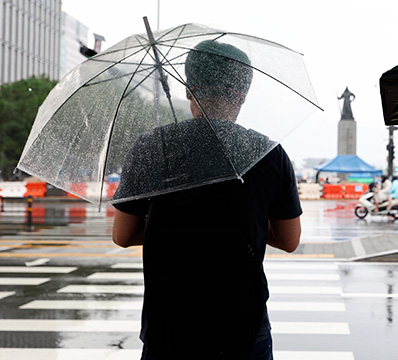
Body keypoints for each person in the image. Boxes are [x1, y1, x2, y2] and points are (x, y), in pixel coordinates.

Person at [111, 40, 302, 359]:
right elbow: (289, 239)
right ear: (242, 93)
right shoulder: (269, 154)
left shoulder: (152, 147)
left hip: (168, 325)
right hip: (243, 323)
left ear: (188, 89)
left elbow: (123, 235)